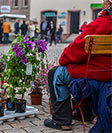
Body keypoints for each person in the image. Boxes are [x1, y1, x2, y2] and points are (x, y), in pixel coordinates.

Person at [44, 1, 112, 133]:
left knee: (55, 73)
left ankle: (61, 120)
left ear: (109, 4)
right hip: (108, 70)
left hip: (97, 72)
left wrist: (63, 62)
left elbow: (76, 50)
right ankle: (86, 114)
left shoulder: (101, 23)